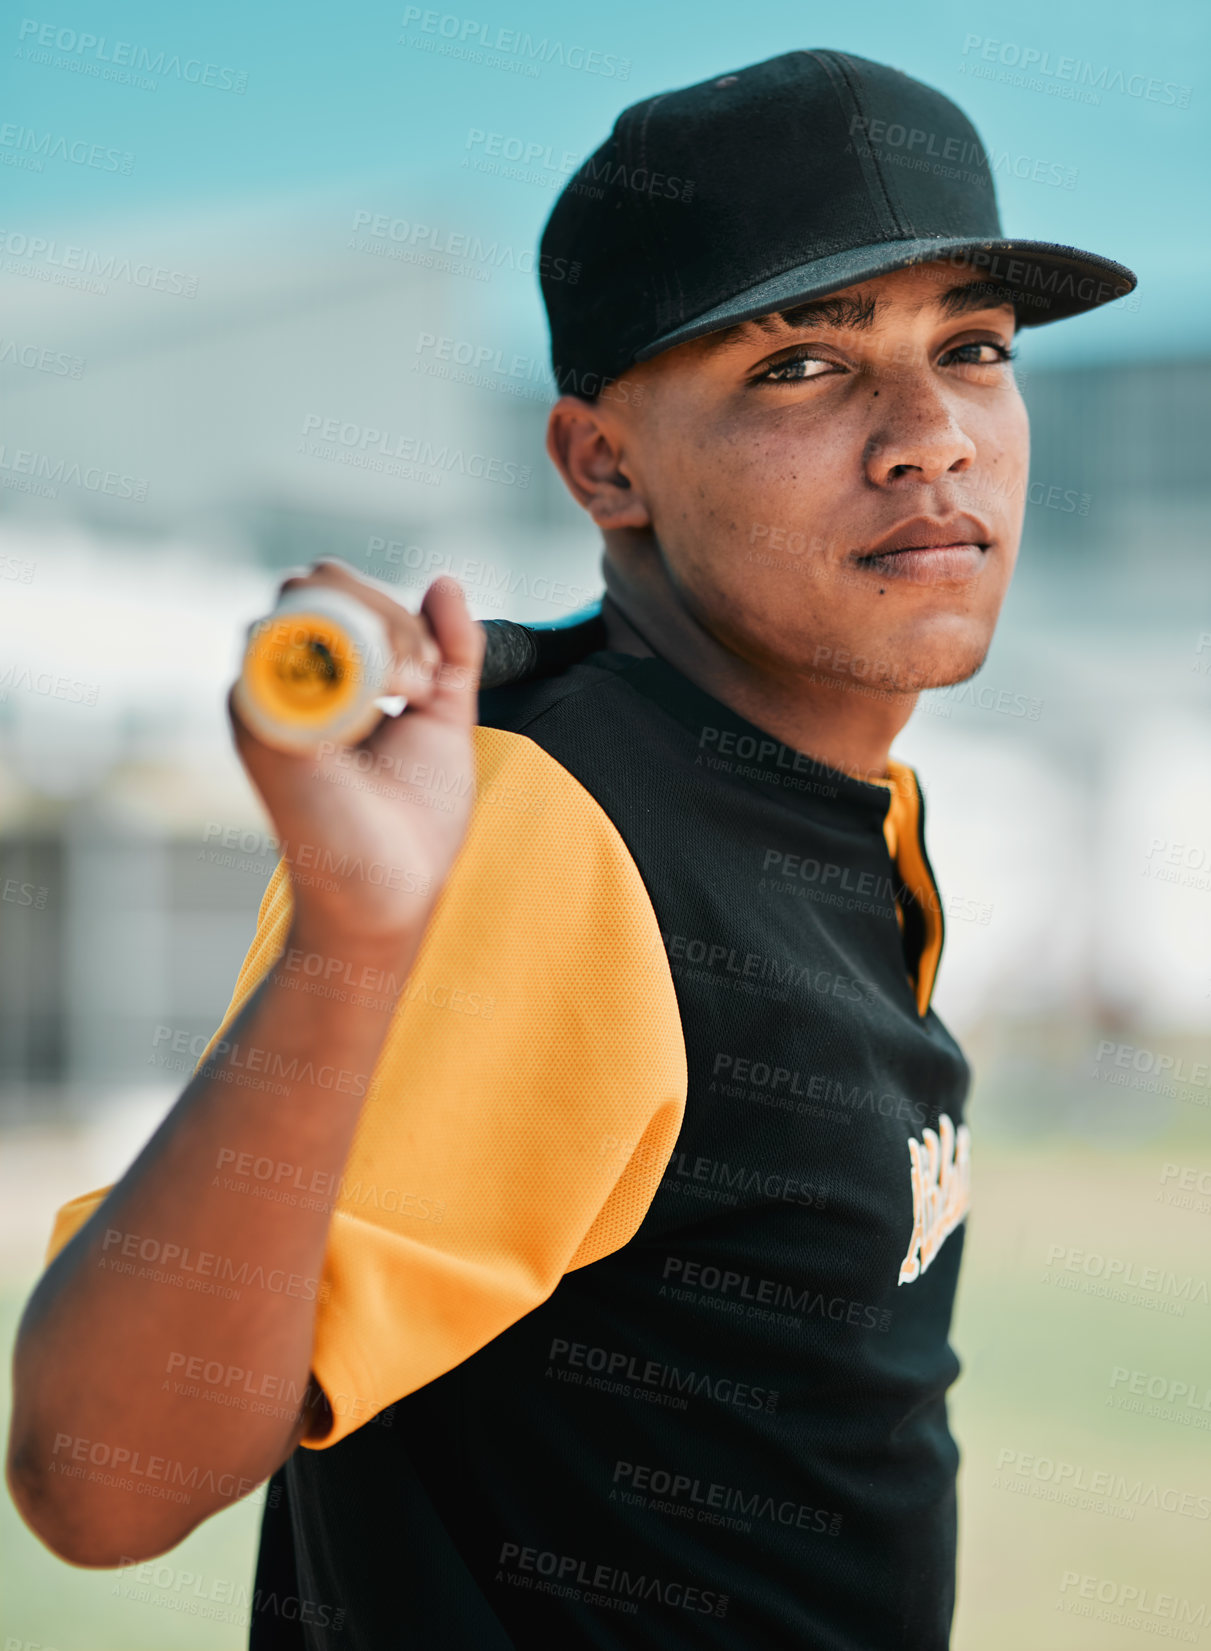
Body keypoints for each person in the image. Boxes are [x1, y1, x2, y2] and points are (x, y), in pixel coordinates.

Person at [7, 48, 1134, 1649]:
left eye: (973, 347)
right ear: (604, 464)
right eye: (802, 365)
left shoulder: (830, 792)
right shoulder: (548, 824)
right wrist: (354, 940)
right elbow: (100, 1480)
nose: (929, 435)